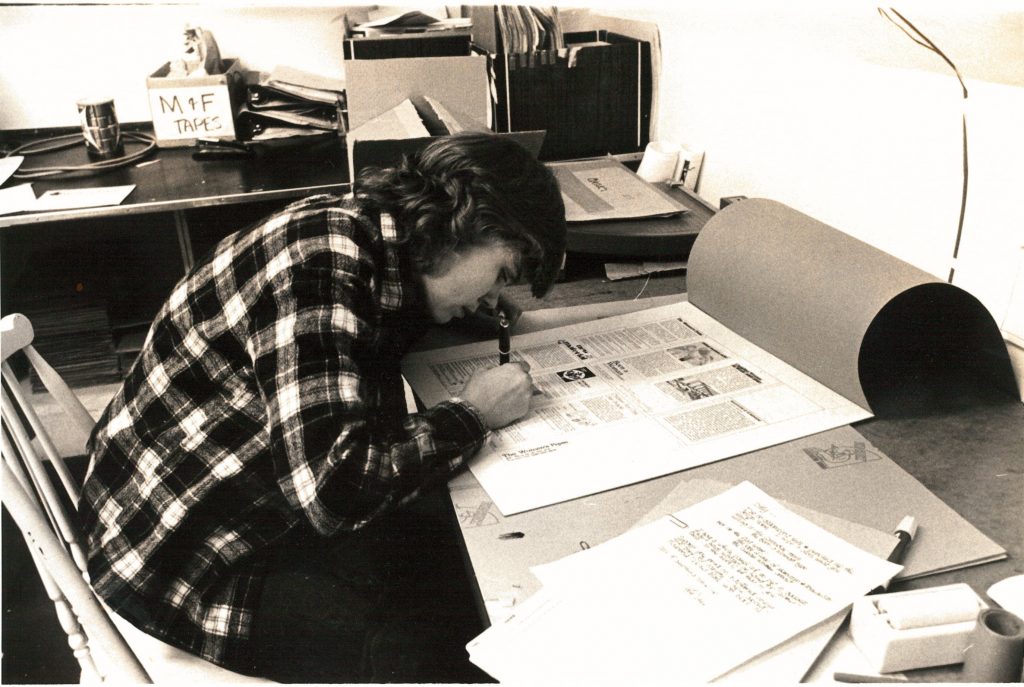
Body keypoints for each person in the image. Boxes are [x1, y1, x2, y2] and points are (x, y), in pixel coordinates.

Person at [78, 132, 567, 682]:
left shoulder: (368, 234)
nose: (495, 296)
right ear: (457, 227)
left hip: (222, 493)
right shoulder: (318, 266)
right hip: (187, 556)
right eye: (501, 273)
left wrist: (475, 306)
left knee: (453, 564)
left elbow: (376, 324)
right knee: (427, 645)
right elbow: (333, 491)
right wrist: (473, 414)